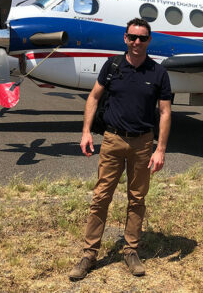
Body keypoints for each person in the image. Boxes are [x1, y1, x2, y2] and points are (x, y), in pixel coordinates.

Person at [70, 18, 172, 281]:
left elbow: (164, 112)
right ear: (125, 39)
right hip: (113, 140)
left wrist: (160, 149)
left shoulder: (159, 73)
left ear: (149, 41)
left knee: (137, 198)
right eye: (132, 37)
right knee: (101, 196)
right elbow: (93, 97)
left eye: (143, 38)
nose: (137, 42)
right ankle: (89, 254)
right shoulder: (112, 66)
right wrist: (85, 132)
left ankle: (131, 250)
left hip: (142, 143)